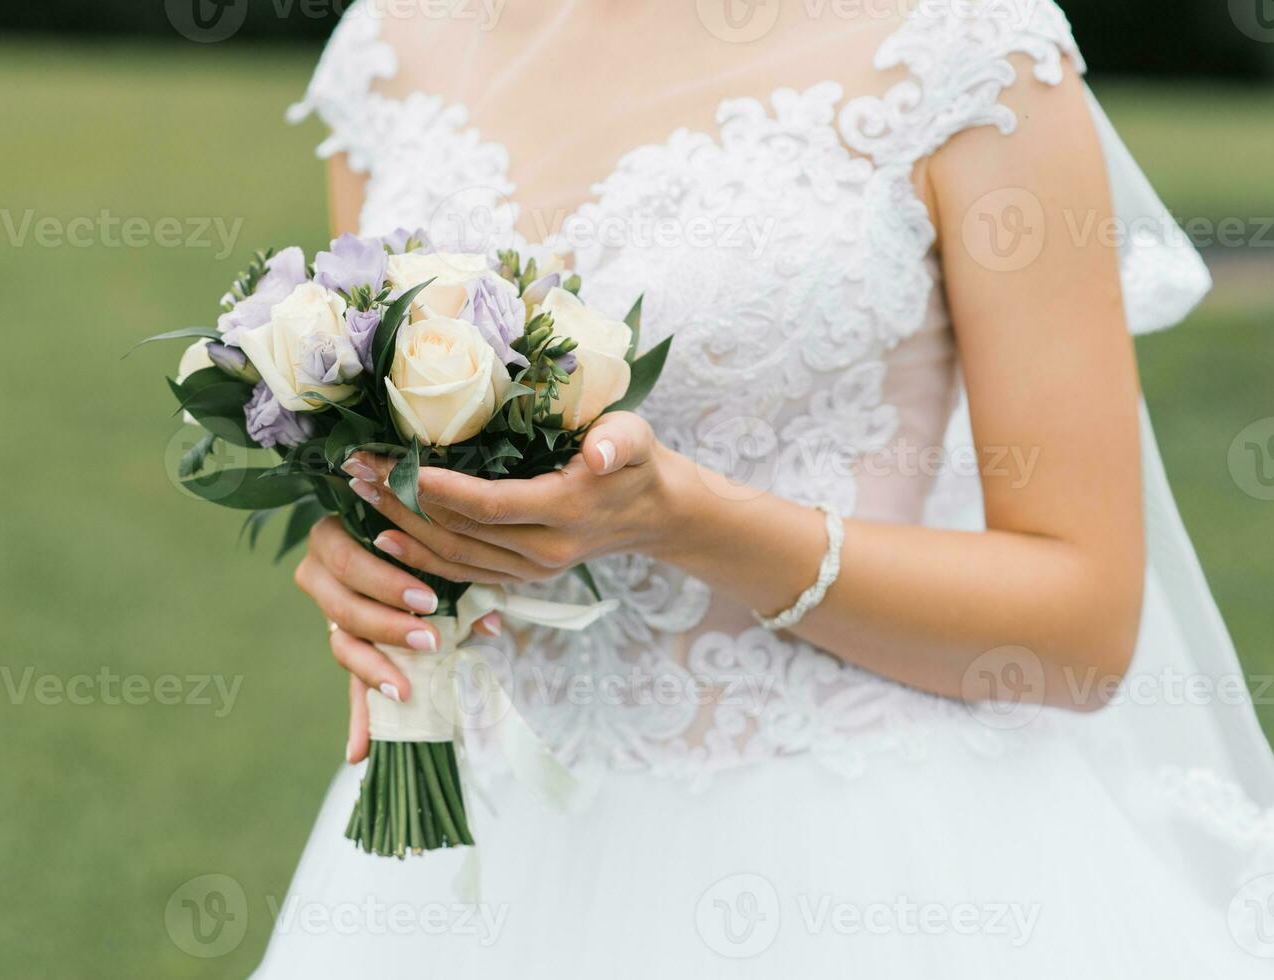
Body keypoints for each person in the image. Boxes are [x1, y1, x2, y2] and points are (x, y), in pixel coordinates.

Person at [255, 1, 1274, 975]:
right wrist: (367, 549)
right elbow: (374, 439)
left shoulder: (969, 51)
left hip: (859, 852)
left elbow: (1081, 623)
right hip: (471, 856)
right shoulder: (394, 48)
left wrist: (695, 524)